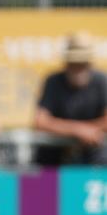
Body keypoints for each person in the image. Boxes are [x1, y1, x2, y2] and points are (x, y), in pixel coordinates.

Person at [34, 31, 107, 165]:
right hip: (56, 153)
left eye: (82, 63)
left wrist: (88, 132)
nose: (78, 68)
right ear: (66, 63)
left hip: (94, 153)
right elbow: (40, 122)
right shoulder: (53, 81)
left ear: (89, 63)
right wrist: (78, 131)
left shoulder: (102, 81)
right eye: (74, 63)